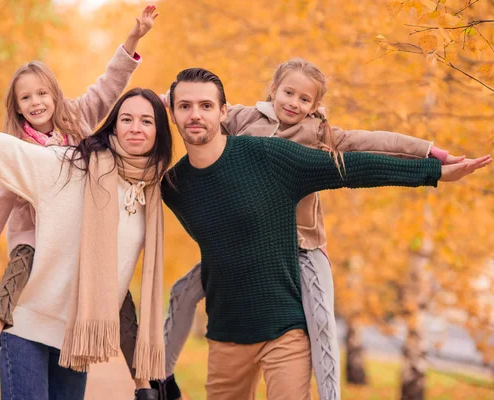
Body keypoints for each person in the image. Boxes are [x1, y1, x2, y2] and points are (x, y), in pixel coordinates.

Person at [158, 68, 490, 400]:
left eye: (205, 105)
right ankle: (159, 377)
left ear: (223, 111)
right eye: (184, 106)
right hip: (226, 332)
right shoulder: (174, 184)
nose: (195, 114)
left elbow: (356, 163)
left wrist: (433, 167)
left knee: (322, 322)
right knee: (183, 291)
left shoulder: (277, 151)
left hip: (291, 297)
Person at [0, 87, 172, 400]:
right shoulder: (73, 166)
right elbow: (8, 152)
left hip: (74, 339)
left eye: (146, 121)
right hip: (27, 326)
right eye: (127, 119)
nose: (135, 127)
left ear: (159, 132)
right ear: (114, 125)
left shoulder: (152, 192)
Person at [0, 3, 157, 394]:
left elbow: (109, 84)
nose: (37, 102)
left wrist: (133, 39)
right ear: (17, 107)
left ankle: (144, 380)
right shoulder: (18, 151)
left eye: (43, 92)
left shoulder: (78, 118)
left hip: (83, 244)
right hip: (38, 241)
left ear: (56, 94)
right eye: (27, 98)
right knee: (20, 264)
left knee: (117, 293)